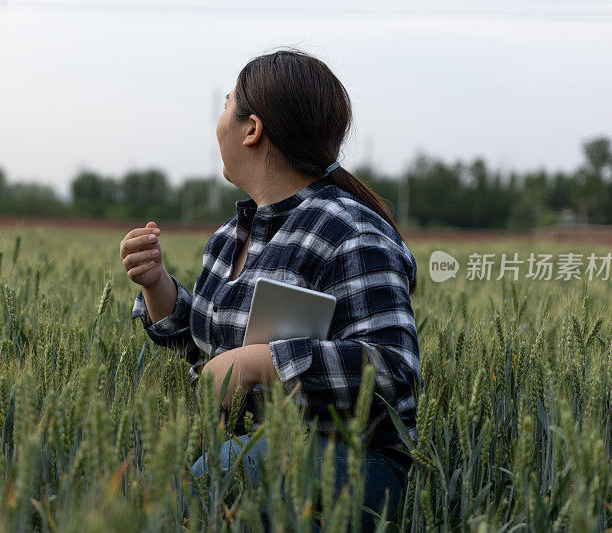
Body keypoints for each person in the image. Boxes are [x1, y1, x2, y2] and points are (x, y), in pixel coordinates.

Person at [121, 48, 420, 530]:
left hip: (348, 463)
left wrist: (261, 363)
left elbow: (392, 369)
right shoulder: (226, 239)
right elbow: (206, 352)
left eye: (225, 105)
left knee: (197, 485)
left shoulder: (352, 233)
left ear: (251, 129)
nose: (218, 122)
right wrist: (156, 285)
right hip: (247, 453)